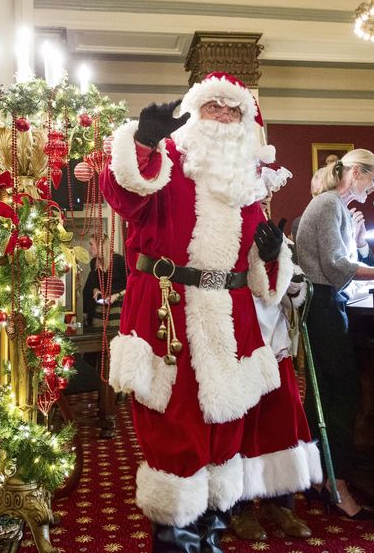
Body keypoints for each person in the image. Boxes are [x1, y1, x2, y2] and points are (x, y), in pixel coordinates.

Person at [102, 72, 303, 552]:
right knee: (172, 423)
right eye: (213, 107)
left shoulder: (247, 180)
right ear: (194, 111)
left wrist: (274, 255)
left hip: (230, 319)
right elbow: (125, 194)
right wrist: (144, 141)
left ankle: (211, 533)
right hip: (167, 311)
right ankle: (174, 538)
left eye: (233, 111)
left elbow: (261, 274)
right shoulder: (168, 158)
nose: (223, 117)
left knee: (225, 427)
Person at [296, 149, 374, 519]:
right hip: (321, 305)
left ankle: (321, 477)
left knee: (330, 394)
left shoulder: (336, 208)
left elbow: (348, 263)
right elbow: (338, 268)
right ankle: (334, 484)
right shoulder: (328, 204)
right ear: (354, 172)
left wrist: (361, 242)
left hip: (328, 303)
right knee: (341, 392)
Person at [232, 166, 319, 541]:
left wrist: (290, 276)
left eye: (267, 196)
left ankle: (279, 503)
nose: (264, 201)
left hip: (275, 344)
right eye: (259, 195)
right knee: (239, 427)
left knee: (281, 420)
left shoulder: (275, 234)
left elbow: (294, 289)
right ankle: (237, 507)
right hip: (236, 343)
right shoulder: (223, 233)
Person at [81, 235, 126, 328]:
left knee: (114, 333)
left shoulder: (119, 260)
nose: (89, 248)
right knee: (98, 333)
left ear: (100, 245)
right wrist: (96, 289)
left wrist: (117, 295)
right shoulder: (93, 262)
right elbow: (94, 283)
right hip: (102, 304)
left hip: (118, 304)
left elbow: (131, 285)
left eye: (91, 244)